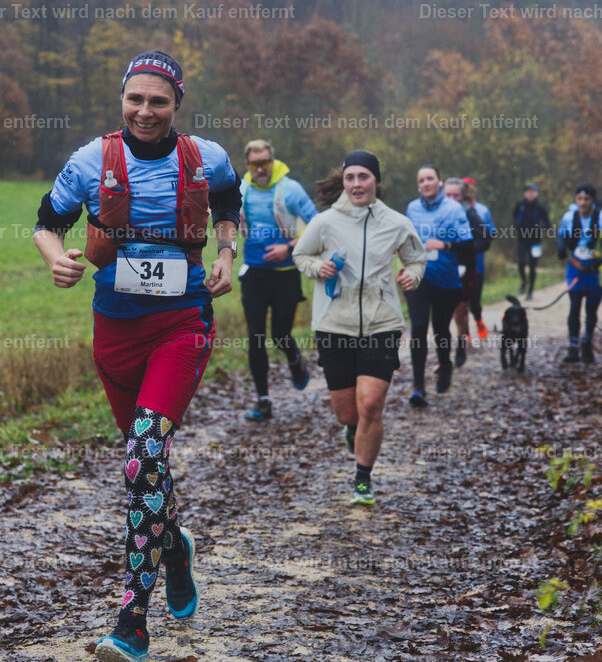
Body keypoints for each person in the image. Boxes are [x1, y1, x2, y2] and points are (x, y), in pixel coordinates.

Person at [32, 51, 241, 662]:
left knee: (147, 450)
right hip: (115, 329)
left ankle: (132, 622)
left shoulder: (207, 157)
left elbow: (228, 205)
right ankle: (174, 548)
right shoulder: (91, 160)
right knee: (141, 466)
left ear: (177, 105)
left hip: (181, 323)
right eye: (135, 100)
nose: (145, 111)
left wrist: (226, 254)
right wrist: (55, 258)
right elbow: (48, 221)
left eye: (158, 101)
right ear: (122, 100)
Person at [293, 150, 426, 504]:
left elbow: (417, 258)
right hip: (334, 324)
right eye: (350, 177)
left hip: (382, 322)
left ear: (375, 182)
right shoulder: (325, 222)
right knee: (346, 411)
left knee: (371, 404)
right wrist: (316, 268)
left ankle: (363, 478)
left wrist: (411, 275)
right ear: (344, 181)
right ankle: (352, 429)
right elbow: (300, 255)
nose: (356, 184)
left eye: (363, 177)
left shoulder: (396, 222)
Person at [238, 139, 318, 421]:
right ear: (247, 164)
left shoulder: (290, 188)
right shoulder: (242, 189)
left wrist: (289, 246)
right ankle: (263, 401)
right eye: (255, 164)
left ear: (273, 161)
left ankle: (295, 361)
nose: (261, 168)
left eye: (265, 162)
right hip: (254, 274)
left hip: (286, 274)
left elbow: (317, 224)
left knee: (281, 335)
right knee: (256, 337)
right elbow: (224, 219)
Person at [403, 166, 475, 406]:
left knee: (440, 328)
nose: (426, 183)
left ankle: (445, 365)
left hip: (446, 279)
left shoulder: (454, 209)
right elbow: (405, 241)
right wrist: (404, 263)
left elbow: (468, 245)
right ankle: (418, 387)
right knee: (419, 326)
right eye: (421, 180)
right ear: (418, 185)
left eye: (430, 179)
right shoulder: (412, 208)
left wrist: (443, 245)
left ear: (439, 182)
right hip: (419, 276)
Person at [556, 184, 602, 364]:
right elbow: (561, 235)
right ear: (576, 200)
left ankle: (587, 343)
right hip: (576, 268)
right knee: (574, 306)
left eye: (586, 200)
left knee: (591, 310)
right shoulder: (569, 217)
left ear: (593, 201)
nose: (582, 203)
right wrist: (561, 248)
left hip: (596, 271)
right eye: (579, 199)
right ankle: (573, 347)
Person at [442, 177, 488, 367]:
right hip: (441, 268)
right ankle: (443, 355)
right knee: (442, 315)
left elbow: (484, 240)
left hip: (465, 269)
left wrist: (463, 248)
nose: (452, 199)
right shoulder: (436, 213)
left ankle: (461, 346)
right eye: (448, 195)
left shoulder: (470, 214)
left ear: (463, 196)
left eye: (456, 195)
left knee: (459, 314)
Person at [461, 177, 496, 339]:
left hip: (477, 263)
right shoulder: (455, 208)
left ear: (474, 191)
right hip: (458, 263)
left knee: (475, 301)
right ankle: (465, 334)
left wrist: (488, 235)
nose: (468, 192)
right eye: (465, 189)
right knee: (461, 303)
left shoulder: (482, 210)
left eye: (470, 189)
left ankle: (479, 320)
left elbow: (490, 231)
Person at [513, 182, 552, 300]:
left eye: (532, 192)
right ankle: (524, 281)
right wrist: (517, 226)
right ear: (525, 193)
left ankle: (530, 291)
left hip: (536, 241)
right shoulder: (519, 206)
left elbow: (548, 225)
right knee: (520, 262)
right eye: (528, 192)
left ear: (536, 193)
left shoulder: (540, 208)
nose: (530, 194)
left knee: (533, 266)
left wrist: (540, 229)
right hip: (522, 239)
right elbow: (514, 218)